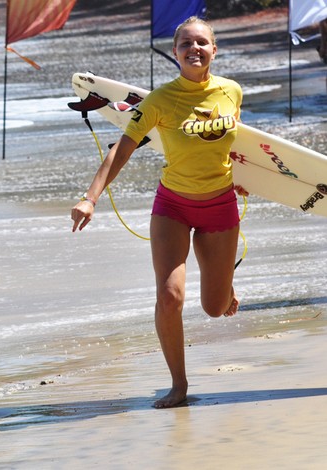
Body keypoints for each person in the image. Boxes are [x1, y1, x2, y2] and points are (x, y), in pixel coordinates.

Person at [71, 17, 248, 409]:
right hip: (173, 206)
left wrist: (246, 176)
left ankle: (224, 282)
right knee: (169, 296)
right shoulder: (160, 100)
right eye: (186, 43)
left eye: (202, 42)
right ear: (175, 52)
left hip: (220, 205)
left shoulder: (232, 92)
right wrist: (90, 198)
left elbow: (241, 143)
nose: (194, 48)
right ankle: (179, 384)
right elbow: (122, 148)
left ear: (214, 50)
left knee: (214, 308)